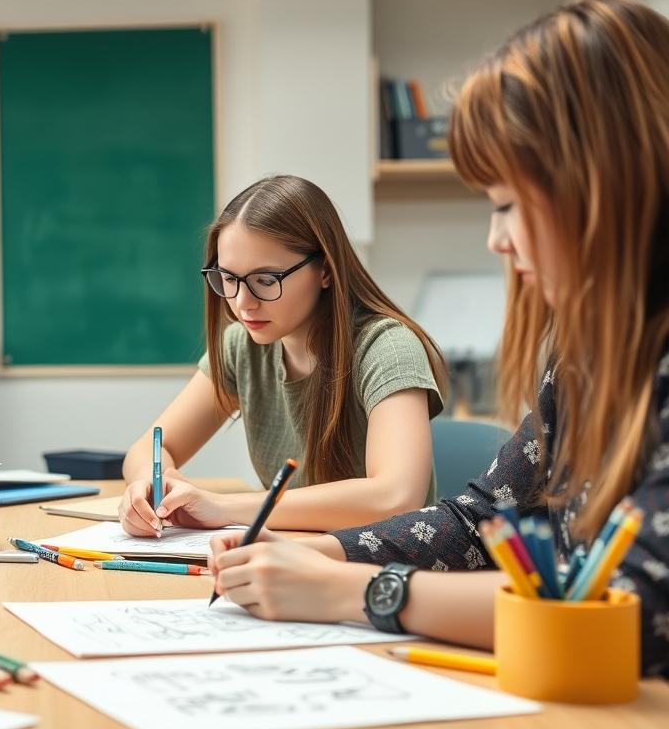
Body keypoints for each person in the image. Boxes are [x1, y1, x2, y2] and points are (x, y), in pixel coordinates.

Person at [207, 0, 669, 677]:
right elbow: (485, 519)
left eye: (508, 204)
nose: (496, 239)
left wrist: (361, 591)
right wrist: (327, 554)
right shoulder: (587, 356)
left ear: (605, 185)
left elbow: (635, 608)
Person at [120, 175, 446, 536]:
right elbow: (146, 450)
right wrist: (159, 487)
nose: (243, 302)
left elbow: (397, 498)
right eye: (228, 278)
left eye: (266, 279)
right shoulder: (241, 346)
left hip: (376, 572)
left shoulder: (387, 348)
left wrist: (224, 506)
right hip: (291, 557)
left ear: (324, 270)